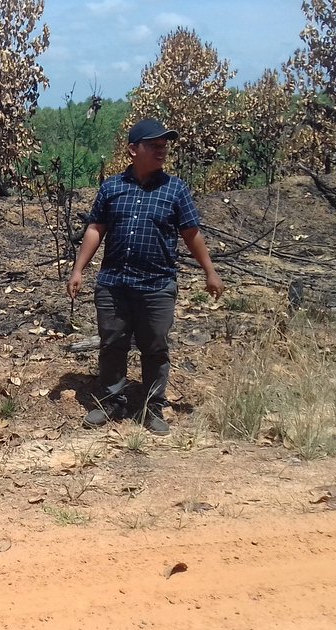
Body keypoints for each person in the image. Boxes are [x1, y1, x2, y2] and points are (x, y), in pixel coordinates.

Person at [66, 118, 224, 434]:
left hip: (157, 285)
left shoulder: (175, 189)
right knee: (112, 344)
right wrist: (78, 269)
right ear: (132, 149)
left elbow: (191, 233)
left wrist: (210, 271)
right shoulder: (112, 187)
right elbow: (96, 228)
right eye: (153, 144)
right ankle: (111, 402)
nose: (161, 149)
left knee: (155, 347)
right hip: (114, 284)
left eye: (164, 144)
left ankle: (152, 408)